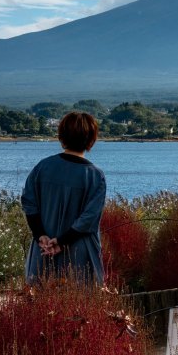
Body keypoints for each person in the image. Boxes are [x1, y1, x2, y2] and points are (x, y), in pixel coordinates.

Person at [21, 111, 107, 284]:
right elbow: (88, 219)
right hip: (80, 256)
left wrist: (41, 235)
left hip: (42, 251)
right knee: (80, 307)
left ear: (61, 137)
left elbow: (29, 204)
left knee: (39, 303)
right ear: (91, 139)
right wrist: (61, 242)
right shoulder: (95, 176)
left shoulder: (42, 167)